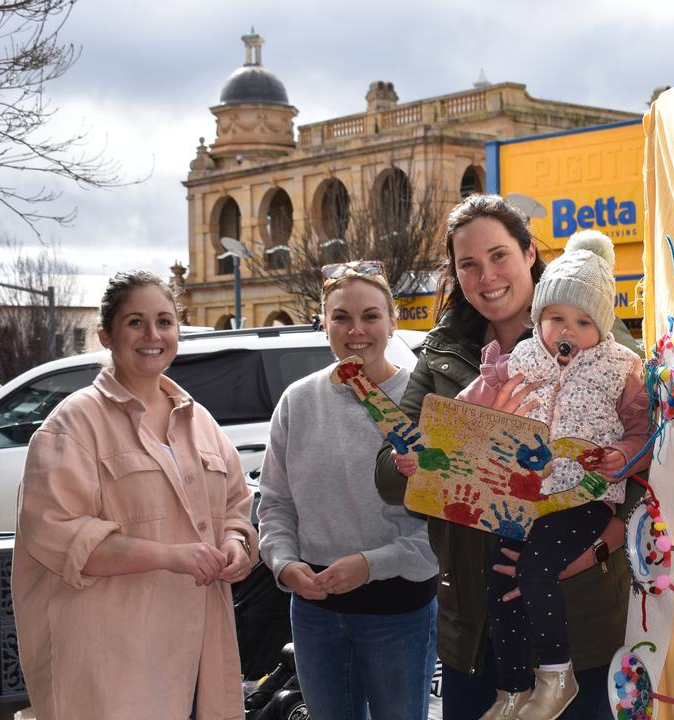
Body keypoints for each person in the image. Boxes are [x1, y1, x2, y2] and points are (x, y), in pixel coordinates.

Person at [375, 194, 647, 720]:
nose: (486, 276)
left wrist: (600, 548)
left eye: (499, 255)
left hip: (578, 617)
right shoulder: (443, 354)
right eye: (468, 264)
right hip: (475, 629)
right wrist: (461, 420)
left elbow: (645, 458)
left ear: (528, 253)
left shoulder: (597, 338)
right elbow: (390, 476)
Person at [13, 270, 256, 720]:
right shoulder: (73, 424)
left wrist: (236, 543)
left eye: (164, 321)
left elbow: (235, 504)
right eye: (135, 322)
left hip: (197, 651)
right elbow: (59, 537)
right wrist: (170, 555)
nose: (152, 335)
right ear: (106, 334)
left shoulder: (199, 419)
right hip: (113, 660)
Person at [440, 230, 651, 719]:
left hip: (583, 500)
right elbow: (459, 419)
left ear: (602, 326)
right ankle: (512, 689)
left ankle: (556, 676)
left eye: (582, 322)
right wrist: (483, 400)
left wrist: (620, 456)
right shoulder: (518, 357)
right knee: (500, 580)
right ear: (540, 318)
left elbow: (645, 433)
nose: (567, 332)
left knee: (534, 572)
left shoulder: (620, 368)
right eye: (556, 318)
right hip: (525, 499)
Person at [258, 260, 439, 720]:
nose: (355, 330)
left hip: (399, 612)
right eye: (341, 317)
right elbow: (275, 503)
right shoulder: (297, 402)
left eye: (370, 316)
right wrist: (284, 563)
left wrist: (372, 565)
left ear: (393, 321)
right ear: (324, 324)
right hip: (315, 614)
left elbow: (446, 521)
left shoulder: (424, 403)